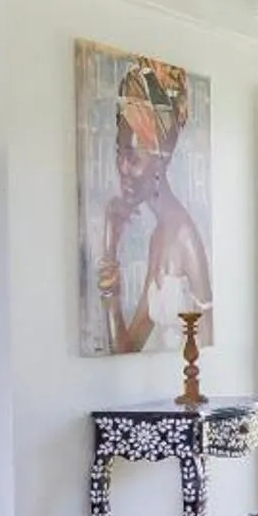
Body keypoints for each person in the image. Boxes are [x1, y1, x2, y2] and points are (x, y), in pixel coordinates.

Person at [94, 58, 212, 354]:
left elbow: (206, 346)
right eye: (120, 152)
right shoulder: (160, 236)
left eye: (133, 156)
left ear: (161, 158)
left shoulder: (184, 236)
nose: (122, 166)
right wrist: (109, 249)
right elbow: (125, 349)